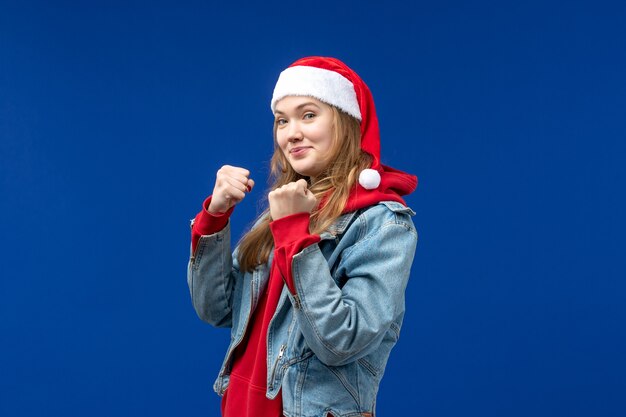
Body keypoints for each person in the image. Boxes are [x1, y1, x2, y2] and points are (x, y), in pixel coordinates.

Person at [187, 56, 418, 417]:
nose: (290, 132)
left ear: (347, 121)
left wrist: (295, 234)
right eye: (282, 120)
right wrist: (214, 219)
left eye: (308, 114)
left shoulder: (383, 223)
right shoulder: (280, 213)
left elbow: (340, 341)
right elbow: (216, 310)